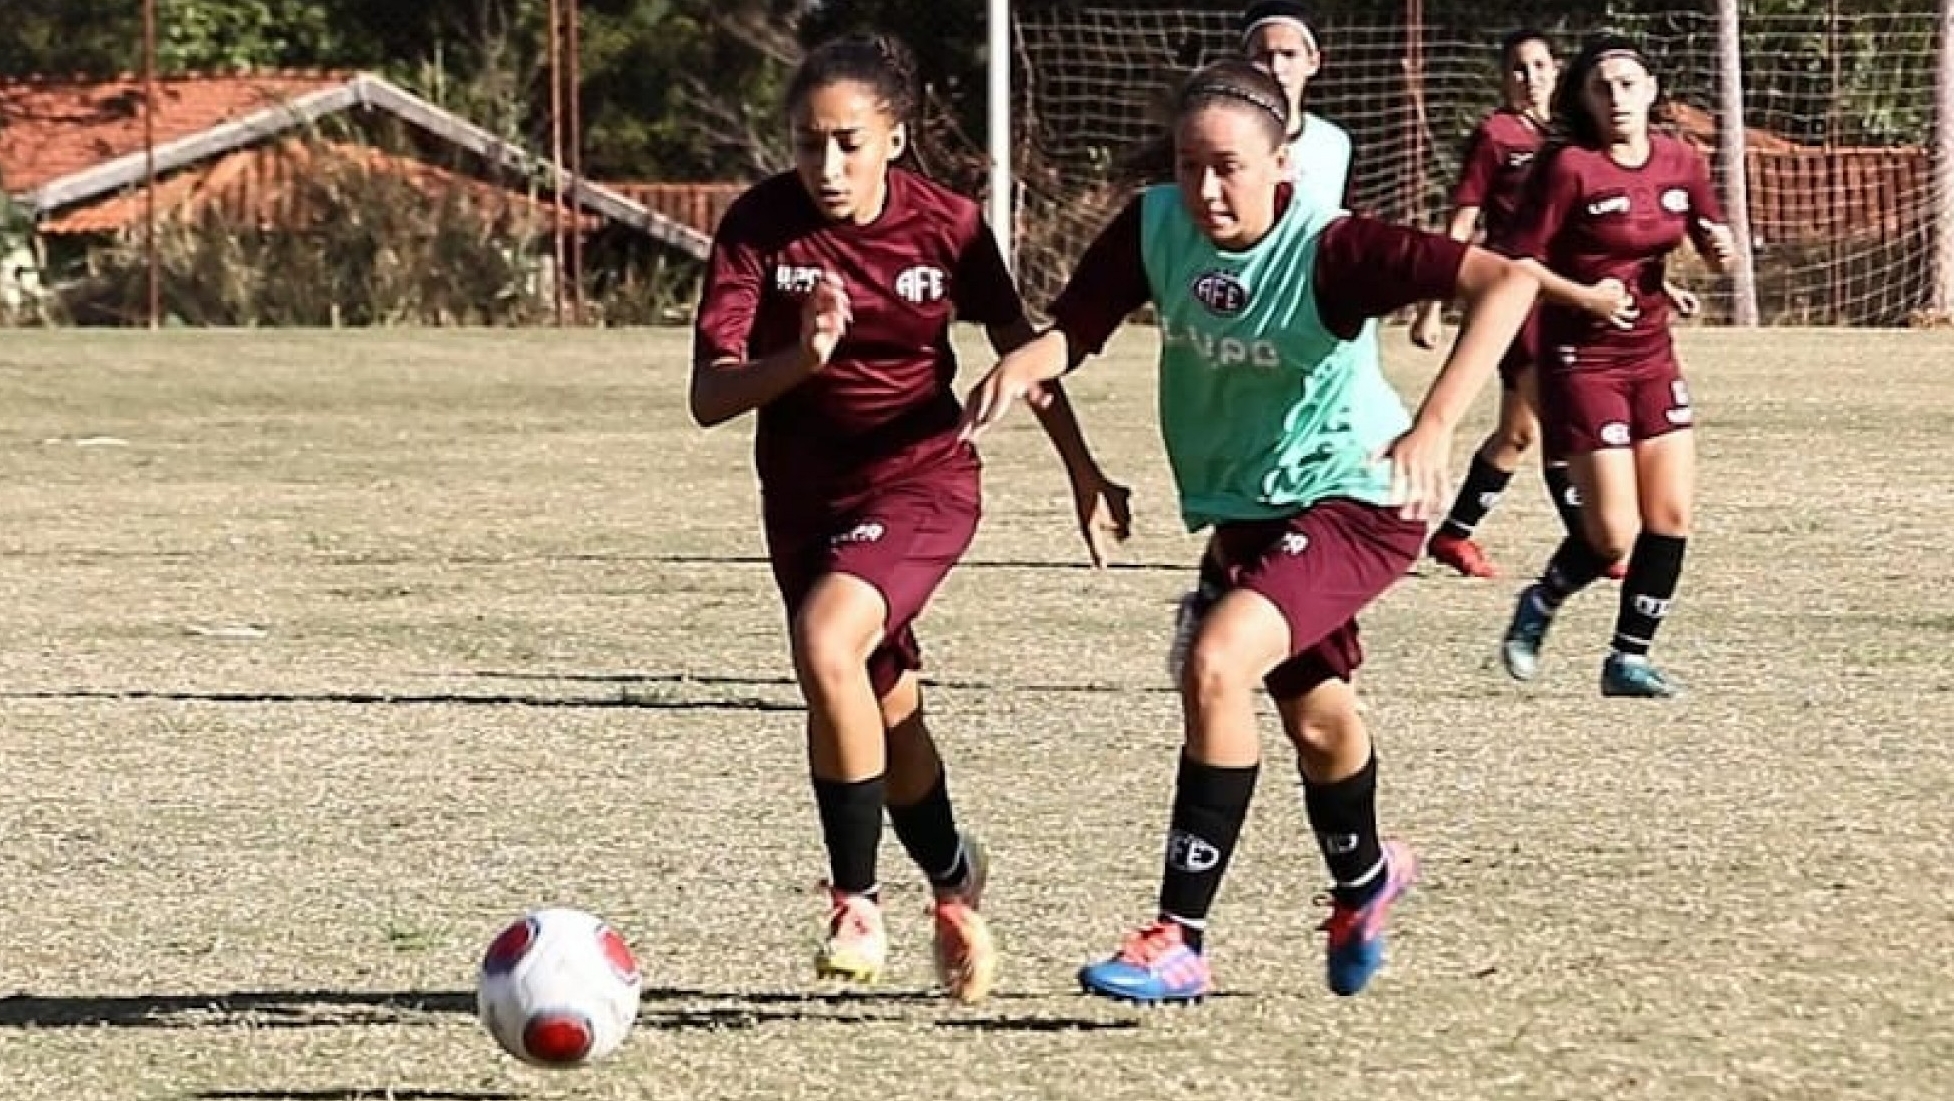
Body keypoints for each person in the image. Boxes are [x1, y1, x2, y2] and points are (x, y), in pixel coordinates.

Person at [959, 58, 1539, 1003]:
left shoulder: (1333, 246)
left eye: (1228, 166)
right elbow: (1080, 325)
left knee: (1216, 662)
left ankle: (1179, 936)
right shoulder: (1155, 227)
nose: (1205, 187)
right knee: (1317, 718)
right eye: (1190, 164)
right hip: (1246, 510)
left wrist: (1435, 421)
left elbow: (1508, 282)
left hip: (1358, 495)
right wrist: (1032, 357)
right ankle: (1366, 882)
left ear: (1284, 168)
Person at [689, 32, 1130, 1003]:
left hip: (922, 479)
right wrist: (798, 364)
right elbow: (709, 396)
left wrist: (1084, 474)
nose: (827, 165)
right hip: (803, 494)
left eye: (848, 141)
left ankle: (853, 900)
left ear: (895, 135)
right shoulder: (758, 228)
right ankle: (953, 877)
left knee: (825, 645)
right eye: (808, 144)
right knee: (883, 709)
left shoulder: (949, 225)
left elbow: (1023, 351)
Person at [1495, 34, 1736, 698]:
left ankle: (1628, 658)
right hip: (1580, 360)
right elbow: (1518, 263)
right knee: (1610, 534)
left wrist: (1719, 257)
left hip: (1652, 355)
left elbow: (1718, 248)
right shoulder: (1569, 166)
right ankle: (1541, 601)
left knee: (1671, 515)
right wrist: (1585, 296)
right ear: (1586, 98)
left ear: (1653, 90)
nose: (1618, 97)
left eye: (1630, 84)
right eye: (1603, 87)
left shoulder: (1681, 161)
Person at [1414, 30, 1697, 581]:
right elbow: (1465, 220)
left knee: (1518, 434)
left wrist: (1661, 286)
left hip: (1570, 306)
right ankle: (1598, 542)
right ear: (1504, 77)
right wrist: (1433, 305)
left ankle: (1454, 534)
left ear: (1557, 74)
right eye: (1518, 68)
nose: (1530, 78)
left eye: (1540, 66)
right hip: (1518, 302)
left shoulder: (1578, 142)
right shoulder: (1497, 136)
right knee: (1561, 425)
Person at [1240, 0, 1351, 208]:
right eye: (1263, 56)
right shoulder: (1227, 139)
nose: (1276, 67)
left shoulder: (1333, 145)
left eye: (1289, 54)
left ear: (1313, 62)